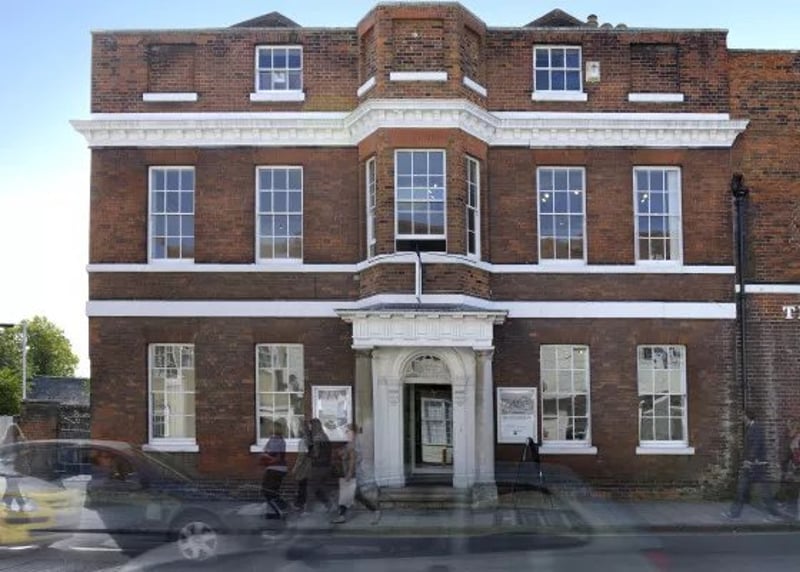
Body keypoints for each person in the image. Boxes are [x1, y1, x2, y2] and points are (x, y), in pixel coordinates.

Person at [723, 409, 782, 520]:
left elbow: (756, 445)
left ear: (747, 416)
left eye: (743, 416)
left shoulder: (756, 428)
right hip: (752, 465)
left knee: (763, 491)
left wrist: (749, 460)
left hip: (756, 465)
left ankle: (774, 513)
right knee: (743, 490)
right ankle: (734, 513)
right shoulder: (751, 428)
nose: (742, 418)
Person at [331, 423, 381, 525]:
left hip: (353, 474)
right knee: (357, 496)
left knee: (346, 496)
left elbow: (353, 460)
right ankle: (375, 510)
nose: (346, 433)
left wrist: (349, 473)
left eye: (348, 431)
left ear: (353, 433)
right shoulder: (350, 444)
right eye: (346, 431)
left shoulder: (353, 445)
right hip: (351, 473)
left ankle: (342, 516)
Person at [261, 420, 288, 519]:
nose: (268, 428)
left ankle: (280, 510)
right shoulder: (279, 440)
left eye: (270, 427)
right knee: (271, 492)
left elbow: (275, 456)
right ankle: (274, 511)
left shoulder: (275, 441)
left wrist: (266, 456)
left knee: (268, 492)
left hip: (275, 469)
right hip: (278, 469)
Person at [306, 418, 333, 511]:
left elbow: (315, 454)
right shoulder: (325, 436)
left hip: (318, 466)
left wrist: (309, 453)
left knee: (311, 488)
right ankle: (328, 504)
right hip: (326, 466)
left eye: (310, 426)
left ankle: (308, 510)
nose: (309, 428)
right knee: (319, 487)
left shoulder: (317, 438)